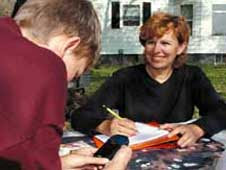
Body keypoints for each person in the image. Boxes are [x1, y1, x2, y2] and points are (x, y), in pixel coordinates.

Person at [0, 0, 132, 169]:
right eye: (75, 75)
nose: (67, 83)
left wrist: (57, 165)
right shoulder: (48, 66)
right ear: (69, 45)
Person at [71, 12, 226, 148]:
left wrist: (197, 129)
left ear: (180, 47)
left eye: (165, 43)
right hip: (133, 155)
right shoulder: (124, 78)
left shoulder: (192, 77)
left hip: (179, 154)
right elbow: (80, 116)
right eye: (151, 42)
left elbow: (221, 112)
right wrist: (104, 125)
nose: (156, 50)